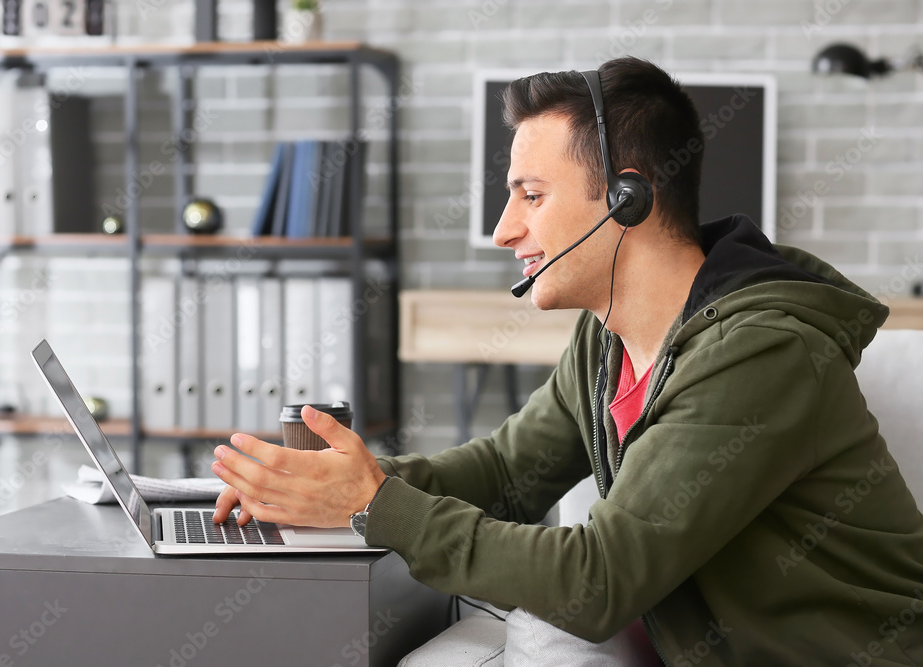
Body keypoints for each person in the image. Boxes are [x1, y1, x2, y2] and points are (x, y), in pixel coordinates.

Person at [211, 57, 923, 665]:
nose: (501, 230)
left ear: (628, 197)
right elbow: (504, 474)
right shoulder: (607, 341)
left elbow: (599, 579)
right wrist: (330, 484)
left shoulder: (761, 353)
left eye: (531, 194)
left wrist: (374, 503)